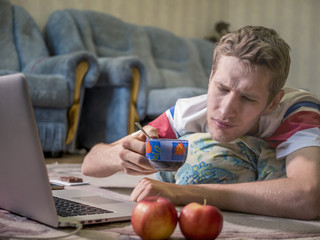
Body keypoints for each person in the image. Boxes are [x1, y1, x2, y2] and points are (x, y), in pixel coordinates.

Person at [82, 26, 320, 220]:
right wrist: (120, 154)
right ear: (210, 79)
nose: (226, 110)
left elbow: (307, 197)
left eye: (247, 98)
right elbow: (89, 164)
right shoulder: (189, 112)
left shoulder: (299, 112)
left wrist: (183, 193)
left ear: (272, 102)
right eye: (222, 88)